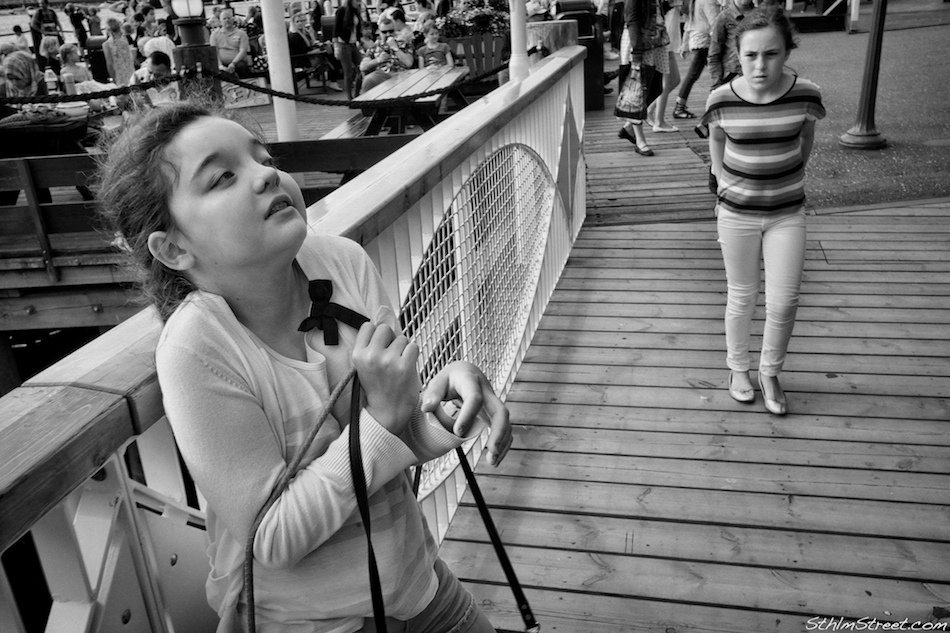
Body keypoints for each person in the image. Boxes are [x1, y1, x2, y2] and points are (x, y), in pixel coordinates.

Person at [95, 101, 510, 633]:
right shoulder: (198, 349)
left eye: (263, 158)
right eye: (223, 177)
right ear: (173, 248)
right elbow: (271, 537)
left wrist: (445, 407)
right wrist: (381, 420)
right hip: (308, 622)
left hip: (416, 585)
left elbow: (396, 434)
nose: (266, 173)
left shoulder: (342, 264)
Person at [700, 6, 825, 415]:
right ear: (738, 53)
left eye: (770, 54)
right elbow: (716, 138)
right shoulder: (721, 98)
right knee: (741, 295)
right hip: (736, 212)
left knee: (784, 300)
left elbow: (805, 135)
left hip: (788, 212)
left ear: (786, 51)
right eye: (751, 55)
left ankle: (770, 371)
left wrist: (790, 174)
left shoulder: (806, 93)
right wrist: (719, 177)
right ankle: (738, 368)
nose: (759, 65)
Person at [613, 0, 667, 156]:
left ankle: (629, 126)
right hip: (640, 43)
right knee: (636, 93)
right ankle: (640, 140)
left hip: (655, 41)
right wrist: (637, 52)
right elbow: (632, 19)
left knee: (656, 88)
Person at [674, 0, 720, 119]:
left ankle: (680, 106)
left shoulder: (694, 1)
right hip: (704, 42)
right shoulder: (707, 2)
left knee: (697, 75)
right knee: (713, 73)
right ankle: (679, 107)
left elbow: (688, 25)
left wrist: (684, 45)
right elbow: (715, 23)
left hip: (695, 41)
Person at [645, 0, 682, 132]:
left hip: (669, 21)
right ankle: (659, 121)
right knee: (666, 81)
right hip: (666, 22)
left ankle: (649, 110)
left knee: (675, 80)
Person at [359, 17, 414, 93]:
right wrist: (378, 60)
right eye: (384, 32)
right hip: (382, 75)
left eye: (391, 31)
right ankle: (363, 103)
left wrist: (395, 48)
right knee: (368, 80)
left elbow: (409, 63)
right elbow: (362, 67)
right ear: (379, 32)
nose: (388, 34)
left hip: (401, 74)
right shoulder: (375, 46)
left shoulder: (403, 43)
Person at [708, 0, 754, 90]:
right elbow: (714, 53)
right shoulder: (724, 17)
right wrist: (717, 85)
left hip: (754, 74)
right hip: (730, 75)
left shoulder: (760, 15)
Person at [334, 0, 365, 100]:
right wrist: (336, 45)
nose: (358, 3)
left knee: (361, 68)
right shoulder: (342, 11)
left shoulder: (356, 11)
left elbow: (358, 28)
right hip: (344, 44)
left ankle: (356, 94)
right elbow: (336, 28)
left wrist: (360, 40)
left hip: (353, 43)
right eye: (357, 1)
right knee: (348, 72)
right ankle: (349, 98)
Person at [210, 9, 251, 77]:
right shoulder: (214, 35)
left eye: (228, 18)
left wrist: (233, 63)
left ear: (233, 20)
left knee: (242, 67)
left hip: (237, 62)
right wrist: (220, 65)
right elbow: (214, 52)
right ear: (220, 22)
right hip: (221, 64)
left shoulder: (241, 33)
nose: (227, 20)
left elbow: (243, 51)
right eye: (224, 18)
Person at [31, 0, 64, 69]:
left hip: (55, 33)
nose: (41, 5)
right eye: (40, 4)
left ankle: (61, 65)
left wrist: (61, 32)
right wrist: (41, 31)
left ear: (46, 4)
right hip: (47, 36)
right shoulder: (39, 12)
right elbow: (33, 24)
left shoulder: (51, 11)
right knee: (48, 53)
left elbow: (57, 22)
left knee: (59, 50)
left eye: (42, 3)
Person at [103, 17, 136, 86]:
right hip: (130, 70)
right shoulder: (125, 39)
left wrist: (113, 79)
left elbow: (109, 64)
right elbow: (131, 56)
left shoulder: (107, 44)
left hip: (119, 74)